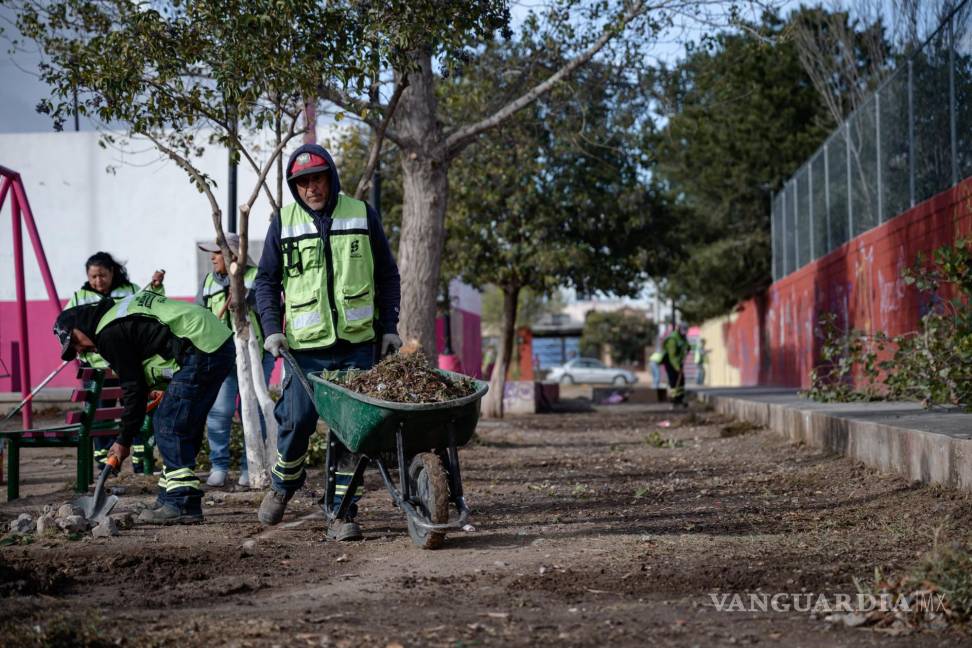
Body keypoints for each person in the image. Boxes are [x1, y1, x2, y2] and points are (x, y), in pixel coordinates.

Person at [254, 144, 401, 541]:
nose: (311, 188)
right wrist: (272, 328)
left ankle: (341, 512)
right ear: (294, 187)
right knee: (296, 420)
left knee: (350, 432)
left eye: (317, 178)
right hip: (305, 349)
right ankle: (284, 486)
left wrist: (389, 326)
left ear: (331, 177)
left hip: (357, 346)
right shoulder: (282, 223)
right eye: (302, 182)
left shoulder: (361, 213)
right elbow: (265, 282)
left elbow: (387, 275)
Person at [53, 290, 234, 524]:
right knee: (182, 423)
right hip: (214, 341)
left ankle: (181, 503)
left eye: (75, 341)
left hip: (201, 346)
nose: (80, 349)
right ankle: (168, 497)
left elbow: (133, 389)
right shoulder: (114, 313)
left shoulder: (108, 334)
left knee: (169, 424)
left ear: (80, 324)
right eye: (74, 349)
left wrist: (123, 441)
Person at [68, 252, 164, 473]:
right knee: (101, 415)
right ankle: (107, 465)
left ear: (112, 272)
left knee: (136, 407)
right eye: (93, 276)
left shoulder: (130, 291)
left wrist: (157, 287)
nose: (98, 281)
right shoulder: (79, 298)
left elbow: (147, 308)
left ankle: (141, 461)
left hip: (129, 362)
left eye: (102, 275)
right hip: (99, 368)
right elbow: (67, 334)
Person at [196, 233, 275, 488]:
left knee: (251, 413)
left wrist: (242, 294)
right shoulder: (208, 282)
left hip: (254, 356)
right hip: (221, 357)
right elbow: (200, 316)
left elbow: (269, 308)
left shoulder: (253, 277)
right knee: (219, 413)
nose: (212, 257)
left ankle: (249, 465)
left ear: (233, 255)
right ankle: (219, 466)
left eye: (217, 252)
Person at [662, 323, 689, 408]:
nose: (684, 332)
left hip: (678, 362)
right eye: (683, 330)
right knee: (674, 381)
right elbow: (672, 356)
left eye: (685, 330)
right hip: (670, 362)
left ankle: (680, 399)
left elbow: (686, 345)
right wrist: (677, 367)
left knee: (681, 380)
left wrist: (688, 347)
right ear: (678, 329)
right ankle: (674, 400)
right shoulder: (672, 339)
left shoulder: (683, 337)